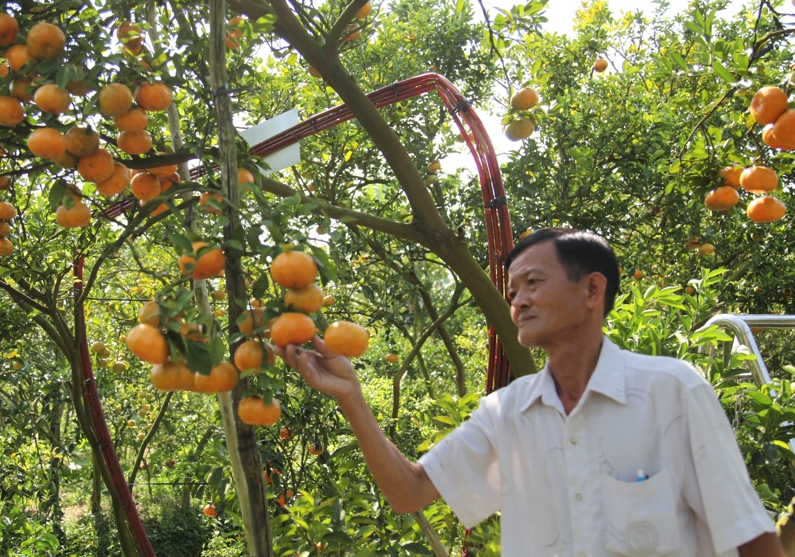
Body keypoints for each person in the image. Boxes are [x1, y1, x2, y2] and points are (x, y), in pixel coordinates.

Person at [276, 227, 783, 556]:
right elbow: (409, 492)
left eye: (533, 283)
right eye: (512, 290)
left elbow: (752, 538)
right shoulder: (506, 413)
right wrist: (351, 397)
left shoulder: (672, 392)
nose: (518, 300)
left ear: (592, 290)